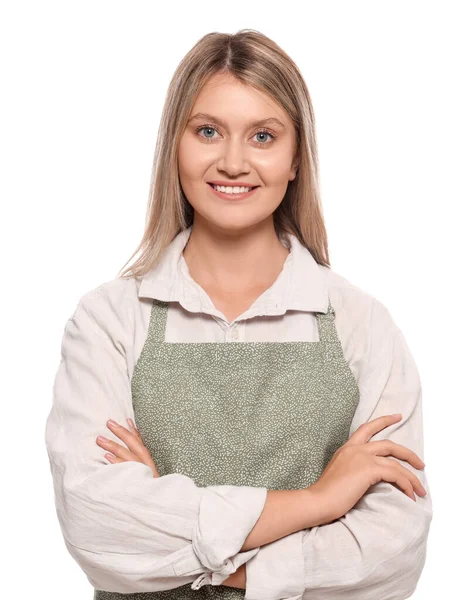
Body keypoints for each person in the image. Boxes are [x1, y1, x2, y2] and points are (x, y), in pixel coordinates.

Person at [44, 29, 433, 600]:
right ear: (174, 145)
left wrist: (188, 545)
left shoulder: (361, 324)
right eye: (207, 131)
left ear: (296, 156)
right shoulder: (108, 320)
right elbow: (99, 528)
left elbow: (391, 551)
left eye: (263, 136)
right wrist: (318, 502)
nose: (232, 162)